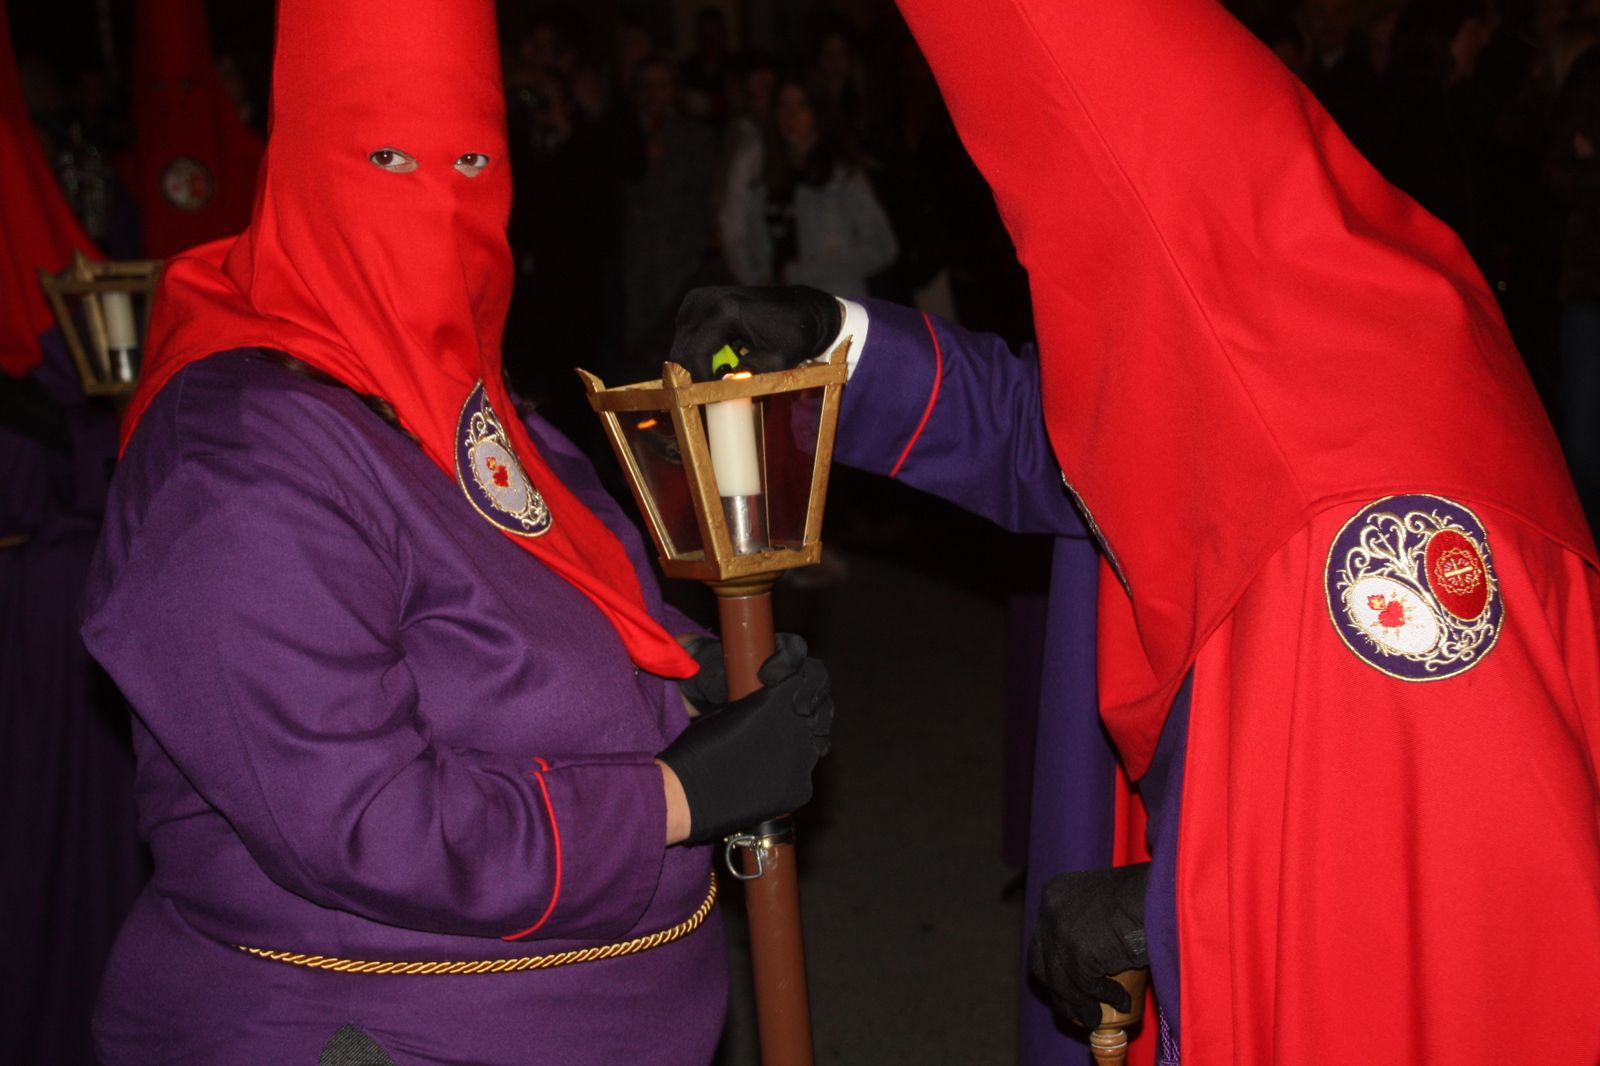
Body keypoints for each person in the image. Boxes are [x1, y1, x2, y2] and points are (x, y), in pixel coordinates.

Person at [668, 0, 1600, 1061]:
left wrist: (1166, 908)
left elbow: (1457, 857)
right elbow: (1075, 433)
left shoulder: (1381, 516)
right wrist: (832, 336)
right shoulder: (1273, 290)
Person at [79, 1, 831, 1062]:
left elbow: (556, 571)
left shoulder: (449, 382)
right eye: (387, 157)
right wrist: (676, 795)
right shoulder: (235, 459)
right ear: (305, 166)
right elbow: (362, 818)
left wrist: (684, 669)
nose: (437, 202)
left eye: (472, 161)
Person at [740, 76, 898, 298]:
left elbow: (882, 246)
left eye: (802, 105)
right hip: (780, 308)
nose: (791, 116)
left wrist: (801, 271)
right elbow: (757, 252)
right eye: (784, 106)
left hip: (834, 304)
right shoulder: (767, 179)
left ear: (817, 112)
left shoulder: (843, 176)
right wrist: (761, 281)